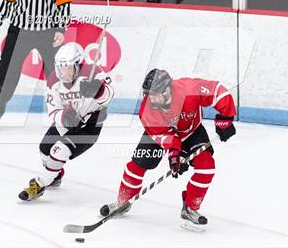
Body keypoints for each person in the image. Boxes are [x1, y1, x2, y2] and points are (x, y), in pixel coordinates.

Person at [100, 69, 236, 231]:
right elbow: (165, 137)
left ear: (167, 90)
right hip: (159, 133)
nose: (151, 99)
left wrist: (225, 119)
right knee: (137, 165)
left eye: (155, 94)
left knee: (207, 167)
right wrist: (174, 156)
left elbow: (219, 91)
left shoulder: (189, 89)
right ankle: (123, 201)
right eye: (148, 94)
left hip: (191, 131)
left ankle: (190, 207)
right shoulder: (147, 110)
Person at [18, 43, 114, 201]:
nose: (64, 73)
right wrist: (65, 117)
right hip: (68, 122)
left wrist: (98, 90)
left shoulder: (93, 73)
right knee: (44, 150)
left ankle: (39, 185)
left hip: (90, 125)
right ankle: (55, 175)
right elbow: (53, 109)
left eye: (68, 68)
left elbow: (109, 95)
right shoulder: (53, 81)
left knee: (59, 150)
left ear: (78, 65)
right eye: (61, 68)